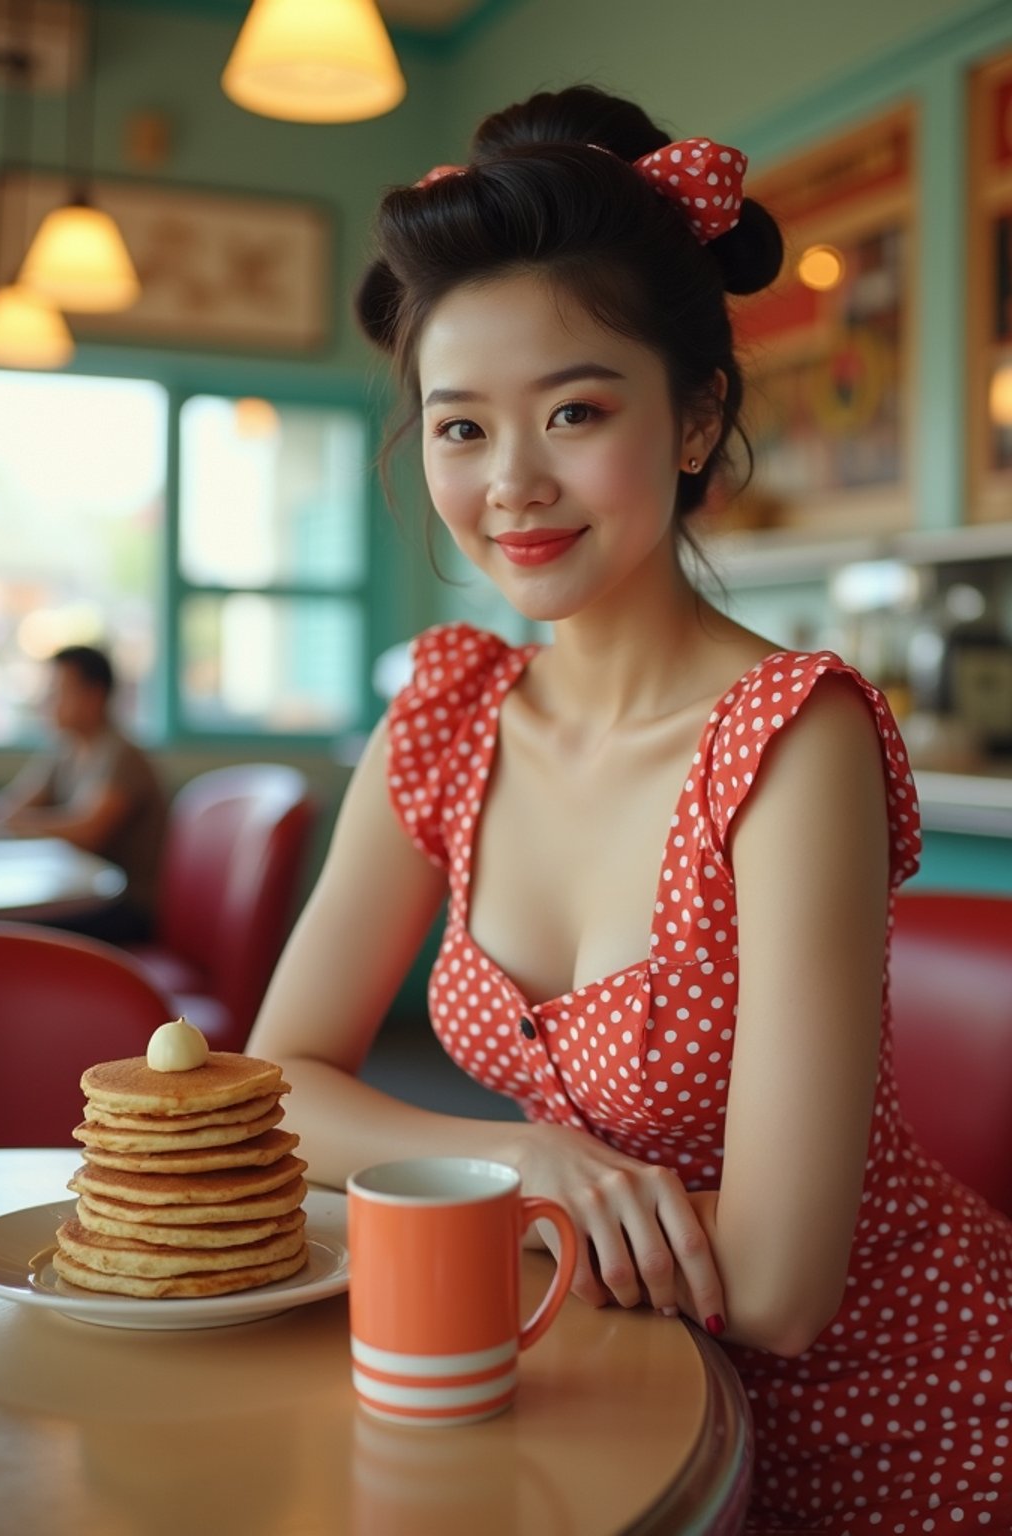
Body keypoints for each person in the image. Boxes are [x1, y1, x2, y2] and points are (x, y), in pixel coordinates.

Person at [248, 86, 1011, 1532]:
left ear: (695, 415)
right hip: (585, 1373)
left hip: (886, 1429)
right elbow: (277, 1078)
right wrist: (525, 1158)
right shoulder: (449, 712)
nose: (511, 483)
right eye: (461, 427)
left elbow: (782, 1287)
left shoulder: (794, 736)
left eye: (575, 410)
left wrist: (485, 1198)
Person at [0, 644, 167, 942]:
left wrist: (14, 823)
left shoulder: (122, 755)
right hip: (78, 895)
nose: (47, 702)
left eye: (58, 692)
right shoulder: (66, 750)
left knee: (7, 936)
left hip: (125, 906)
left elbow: (88, 831)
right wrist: (4, 818)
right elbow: (13, 805)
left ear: (94, 695)